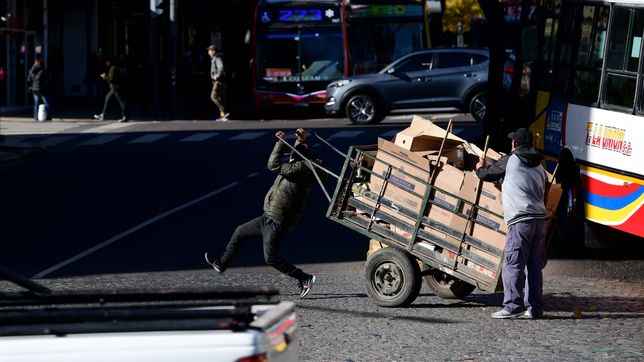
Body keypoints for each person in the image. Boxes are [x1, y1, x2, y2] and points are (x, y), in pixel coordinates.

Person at [205, 128, 323, 298]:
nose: (290, 156)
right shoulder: (300, 167)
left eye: (292, 155)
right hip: (267, 216)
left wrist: (281, 143)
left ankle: (305, 278)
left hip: (277, 220)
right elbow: (298, 154)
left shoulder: (300, 171)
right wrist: (300, 141)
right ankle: (222, 264)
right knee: (240, 231)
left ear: (299, 160)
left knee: (270, 257)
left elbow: (273, 164)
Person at [474, 128, 547, 319]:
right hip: (540, 220)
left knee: (513, 263)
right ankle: (535, 309)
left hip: (521, 220)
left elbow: (486, 174)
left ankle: (513, 306)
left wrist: (479, 167)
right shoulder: (539, 166)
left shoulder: (511, 160)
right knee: (533, 266)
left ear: (515, 144)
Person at [207, 45, 229, 121]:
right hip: (222, 81)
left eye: (209, 50)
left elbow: (221, 67)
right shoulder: (217, 58)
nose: (208, 52)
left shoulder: (217, 58)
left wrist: (217, 75)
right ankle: (224, 115)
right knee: (221, 97)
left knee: (213, 96)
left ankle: (223, 111)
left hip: (219, 81)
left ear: (213, 51)